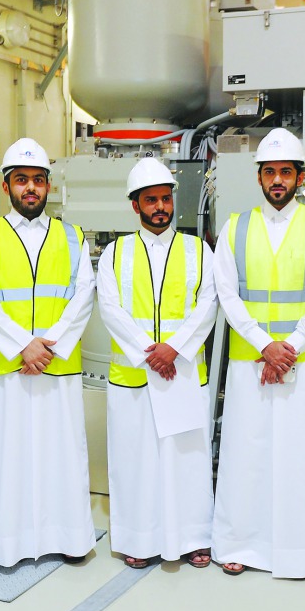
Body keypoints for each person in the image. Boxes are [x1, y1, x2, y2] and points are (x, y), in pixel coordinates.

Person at [212, 128, 305, 578]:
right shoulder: (235, 227)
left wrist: (289, 348)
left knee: (303, 458)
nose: (277, 180)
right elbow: (227, 294)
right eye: (269, 171)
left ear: (299, 176)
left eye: (286, 172)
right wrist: (264, 345)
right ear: (259, 177)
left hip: (302, 364)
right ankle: (239, 544)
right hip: (250, 362)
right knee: (245, 455)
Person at [0, 138, 97, 567]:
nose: (31, 188)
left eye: (38, 180)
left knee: (63, 455)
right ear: (6, 186)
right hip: (7, 368)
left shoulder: (72, 236)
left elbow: (83, 296)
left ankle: (70, 538)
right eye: (21, 180)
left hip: (56, 367)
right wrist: (23, 345)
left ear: (49, 186)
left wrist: (48, 346)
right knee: (9, 458)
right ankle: (10, 545)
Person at [96, 158, 218, 570]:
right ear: (136, 205)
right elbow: (110, 309)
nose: (161, 207)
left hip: (183, 374)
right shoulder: (115, 253)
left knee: (187, 459)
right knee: (136, 461)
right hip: (133, 377)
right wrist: (151, 353)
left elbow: (208, 305)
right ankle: (139, 539)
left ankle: (195, 538)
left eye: (166, 198)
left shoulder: (198, 250)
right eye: (151, 200)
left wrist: (175, 349)